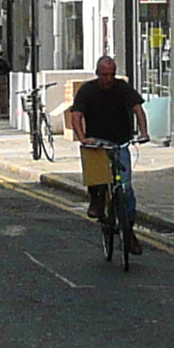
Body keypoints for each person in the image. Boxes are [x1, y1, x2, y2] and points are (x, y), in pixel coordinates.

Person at [65, 53, 146, 225]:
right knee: (96, 178)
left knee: (126, 188)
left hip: (120, 142)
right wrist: (83, 139)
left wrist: (143, 133)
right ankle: (96, 201)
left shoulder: (122, 87)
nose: (108, 79)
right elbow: (76, 116)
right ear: (97, 73)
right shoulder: (87, 90)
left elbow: (138, 109)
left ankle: (129, 229)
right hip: (97, 142)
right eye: (104, 75)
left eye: (112, 74)